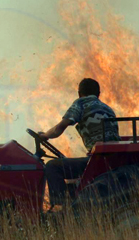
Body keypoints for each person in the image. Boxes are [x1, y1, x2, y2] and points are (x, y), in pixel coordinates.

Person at [39, 78, 121, 208]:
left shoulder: (81, 103)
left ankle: (60, 208)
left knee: (53, 167)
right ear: (99, 94)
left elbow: (60, 128)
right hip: (112, 159)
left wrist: (44, 136)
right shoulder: (108, 109)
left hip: (96, 160)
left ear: (79, 93)